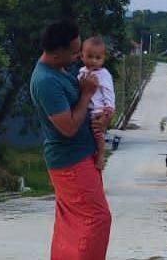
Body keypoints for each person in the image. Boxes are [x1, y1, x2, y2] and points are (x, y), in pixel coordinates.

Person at [29, 19, 112, 260]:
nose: (79, 57)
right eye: (75, 52)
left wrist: (101, 118)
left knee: (71, 223)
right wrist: (87, 94)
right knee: (97, 219)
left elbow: (85, 110)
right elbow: (68, 127)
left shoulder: (60, 69)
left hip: (80, 156)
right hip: (70, 160)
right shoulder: (46, 82)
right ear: (56, 54)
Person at [78, 36, 115, 171]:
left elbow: (109, 92)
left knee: (98, 133)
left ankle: (101, 156)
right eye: (89, 56)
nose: (93, 61)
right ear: (82, 56)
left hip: (98, 111)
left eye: (98, 58)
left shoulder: (104, 74)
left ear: (103, 58)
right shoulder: (81, 72)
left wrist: (108, 110)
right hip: (86, 109)